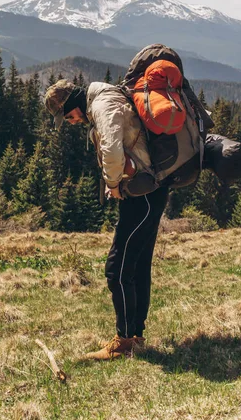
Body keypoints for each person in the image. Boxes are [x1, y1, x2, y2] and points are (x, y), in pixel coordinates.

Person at [44, 79, 169, 360]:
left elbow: (112, 150)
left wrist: (112, 184)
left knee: (117, 268)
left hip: (142, 193)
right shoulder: (106, 99)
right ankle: (134, 336)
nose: (71, 122)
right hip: (148, 190)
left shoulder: (102, 104)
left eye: (68, 116)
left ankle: (123, 342)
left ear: (73, 103)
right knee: (136, 266)